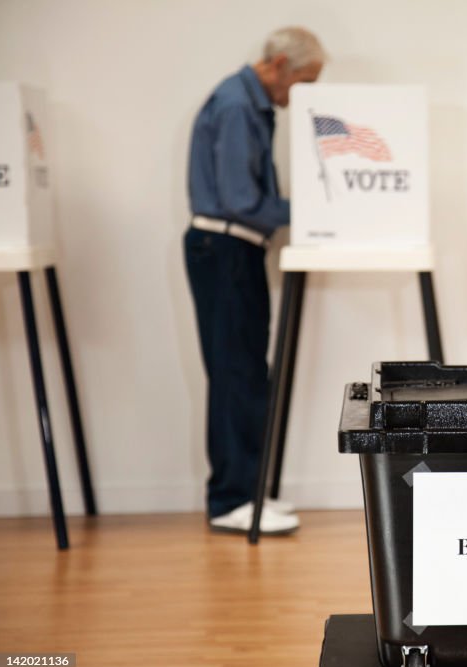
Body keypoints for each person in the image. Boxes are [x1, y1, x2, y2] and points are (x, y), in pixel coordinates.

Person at [184, 27, 325, 534]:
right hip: (224, 248)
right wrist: (315, 206)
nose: (302, 94)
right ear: (280, 64)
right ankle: (230, 500)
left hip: (232, 249)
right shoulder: (239, 106)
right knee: (235, 374)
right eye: (304, 80)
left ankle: (248, 491)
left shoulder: (249, 103)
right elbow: (242, 199)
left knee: (244, 371)